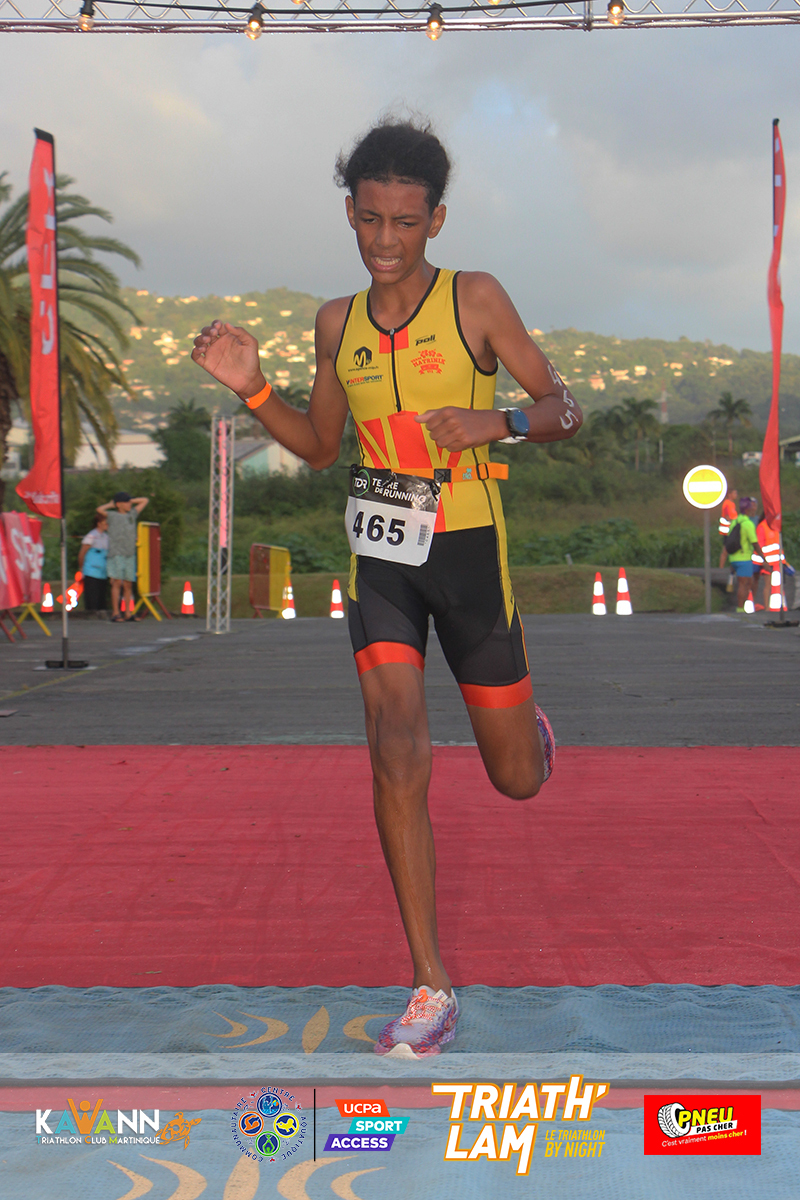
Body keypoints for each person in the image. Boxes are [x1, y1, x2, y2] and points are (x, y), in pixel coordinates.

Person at [191, 119, 583, 1059]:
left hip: (470, 551)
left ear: (436, 220)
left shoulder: (475, 298)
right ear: (351, 215)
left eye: (405, 222)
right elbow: (322, 446)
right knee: (395, 744)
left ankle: (529, 737)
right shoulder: (338, 324)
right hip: (382, 558)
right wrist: (253, 388)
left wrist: (497, 421)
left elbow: (564, 408)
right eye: (370, 219)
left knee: (514, 781)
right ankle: (430, 984)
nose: (385, 240)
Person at [96, 491, 149, 622]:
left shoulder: (132, 514)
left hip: (129, 553)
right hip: (116, 553)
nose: (129, 504)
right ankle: (116, 612)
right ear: (119, 504)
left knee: (128, 584)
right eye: (126, 502)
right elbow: (99, 509)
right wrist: (111, 504)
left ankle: (128, 613)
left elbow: (145, 500)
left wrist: (131, 500)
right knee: (117, 582)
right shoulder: (113, 515)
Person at [727, 497, 764, 612]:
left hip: (733, 557)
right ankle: (740, 609)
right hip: (744, 558)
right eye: (751, 507)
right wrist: (764, 560)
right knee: (744, 584)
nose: (753, 509)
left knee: (744, 583)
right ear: (747, 509)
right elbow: (755, 543)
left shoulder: (735, 522)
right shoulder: (748, 523)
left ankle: (741, 607)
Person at [78, 514, 109, 613]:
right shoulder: (91, 536)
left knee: (101, 597)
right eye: (105, 523)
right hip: (91, 571)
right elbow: (82, 553)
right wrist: (81, 568)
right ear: (99, 524)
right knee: (92, 597)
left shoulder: (106, 537)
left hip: (102, 572)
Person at [718, 486, 738, 591]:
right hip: (727, 529)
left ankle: (724, 566)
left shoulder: (732, 504)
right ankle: (721, 568)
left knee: (727, 548)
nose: (736, 495)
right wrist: (732, 522)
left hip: (730, 529)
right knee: (725, 548)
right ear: (729, 494)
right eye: (734, 493)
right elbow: (727, 516)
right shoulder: (727, 503)